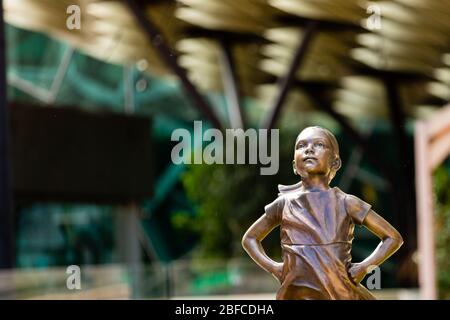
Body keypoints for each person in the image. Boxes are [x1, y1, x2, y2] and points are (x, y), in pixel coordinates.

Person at [242, 126, 403, 300]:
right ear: (295, 165)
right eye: (301, 145)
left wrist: (364, 268)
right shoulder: (283, 204)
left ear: (335, 163)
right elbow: (250, 239)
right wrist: (274, 267)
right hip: (296, 294)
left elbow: (393, 238)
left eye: (319, 144)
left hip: (340, 292)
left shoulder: (347, 203)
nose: (309, 149)